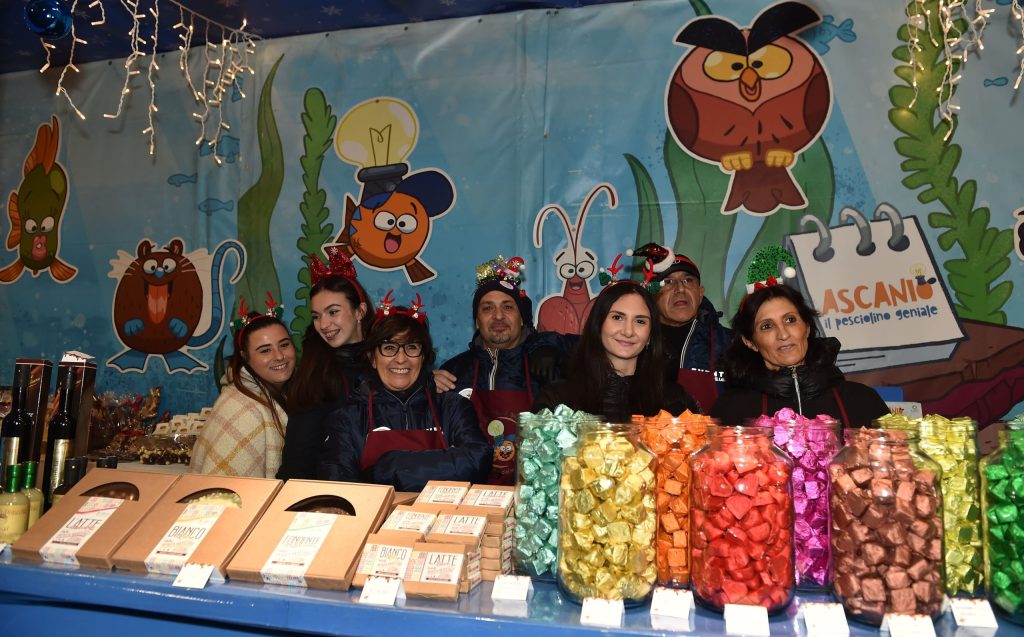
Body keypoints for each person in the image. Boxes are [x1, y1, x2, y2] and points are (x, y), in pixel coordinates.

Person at [318, 295, 491, 491]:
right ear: (372, 359)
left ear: (423, 357)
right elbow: (338, 488)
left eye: (411, 347)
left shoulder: (451, 407)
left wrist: (389, 468)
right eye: (389, 348)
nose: (401, 359)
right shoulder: (347, 420)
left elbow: (477, 461)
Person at [438, 255, 575, 485]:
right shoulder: (452, 372)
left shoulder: (549, 365)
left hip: (536, 500)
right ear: (477, 320)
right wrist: (423, 382)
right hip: (469, 499)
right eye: (487, 308)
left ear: (522, 319)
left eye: (508, 307)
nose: (498, 316)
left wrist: (551, 347)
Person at [710, 283, 890, 428]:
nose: (783, 334)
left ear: (807, 327)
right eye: (767, 326)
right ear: (750, 342)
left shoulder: (862, 400)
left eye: (790, 320)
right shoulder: (731, 411)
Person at [532, 280, 699, 421]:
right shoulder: (558, 399)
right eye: (617, 317)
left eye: (640, 321)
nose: (628, 331)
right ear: (598, 325)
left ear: (650, 334)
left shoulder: (675, 401)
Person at [278, 247, 371, 480]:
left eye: (333, 312)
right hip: (328, 496)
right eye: (317, 316)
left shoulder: (386, 361)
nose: (324, 324)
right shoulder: (315, 372)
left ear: (360, 311)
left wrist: (428, 380)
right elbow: (299, 458)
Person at [191, 300, 295, 478]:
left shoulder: (283, 392)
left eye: (284, 345)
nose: (279, 356)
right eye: (265, 350)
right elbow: (223, 490)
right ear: (245, 357)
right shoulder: (243, 409)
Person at [633, 243, 732, 411]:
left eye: (688, 280)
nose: (680, 289)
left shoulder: (730, 343)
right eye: (668, 282)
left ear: (700, 293)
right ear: (652, 293)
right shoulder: (633, 340)